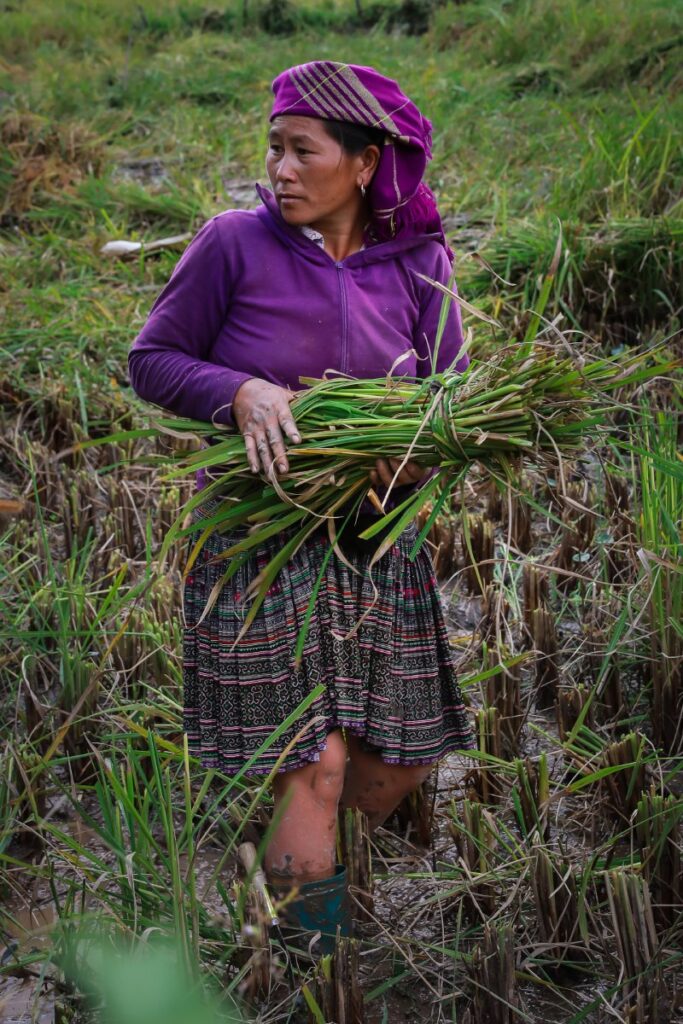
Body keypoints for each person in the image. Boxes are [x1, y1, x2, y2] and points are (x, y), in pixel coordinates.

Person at [128, 60, 475, 954]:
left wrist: (404, 468)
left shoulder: (419, 262)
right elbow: (153, 359)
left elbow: (450, 404)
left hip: (374, 543)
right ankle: (308, 970)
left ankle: (280, 851)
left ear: (364, 164)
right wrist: (239, 390)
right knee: (313, 769)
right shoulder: (231, 244)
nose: (280, 168)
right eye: (273, 149)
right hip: (256, 540)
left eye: (301, 151)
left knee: (393, 762)